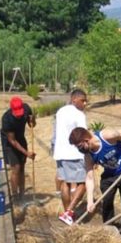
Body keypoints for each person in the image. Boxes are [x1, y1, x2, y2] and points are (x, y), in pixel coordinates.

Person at [68, 126, 121, 243]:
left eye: (79, 146)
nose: (79, 149)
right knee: (107, 203)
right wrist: (90, 202)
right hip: (109, 176)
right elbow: (89, 177)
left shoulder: (107, 135)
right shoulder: (88, 155)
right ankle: (109, 231)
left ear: (86, 139)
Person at [52, 89, 88, 224]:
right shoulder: (79, 114)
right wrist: (89, 153)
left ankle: (68, 215)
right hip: (75, 154)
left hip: (60, 153)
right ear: (74, 100)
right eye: (82, 100)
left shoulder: (60, 111)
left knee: (65, 182)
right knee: (83, 183)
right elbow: (83, 134)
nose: (85, 104)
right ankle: (69, 212)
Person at [0, 96, 36, 200]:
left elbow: (32, 125)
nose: (19, 116)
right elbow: (12, 141)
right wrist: (27, 153)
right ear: (12, 109)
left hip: (20, 138)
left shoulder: (26, 109)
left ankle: (22, 195)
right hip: (9, 142)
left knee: (22, 168)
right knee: (16, 167)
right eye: (17, 113)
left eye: (20, 112)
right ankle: (15, 196)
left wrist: (32, 120)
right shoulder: (6, 119)